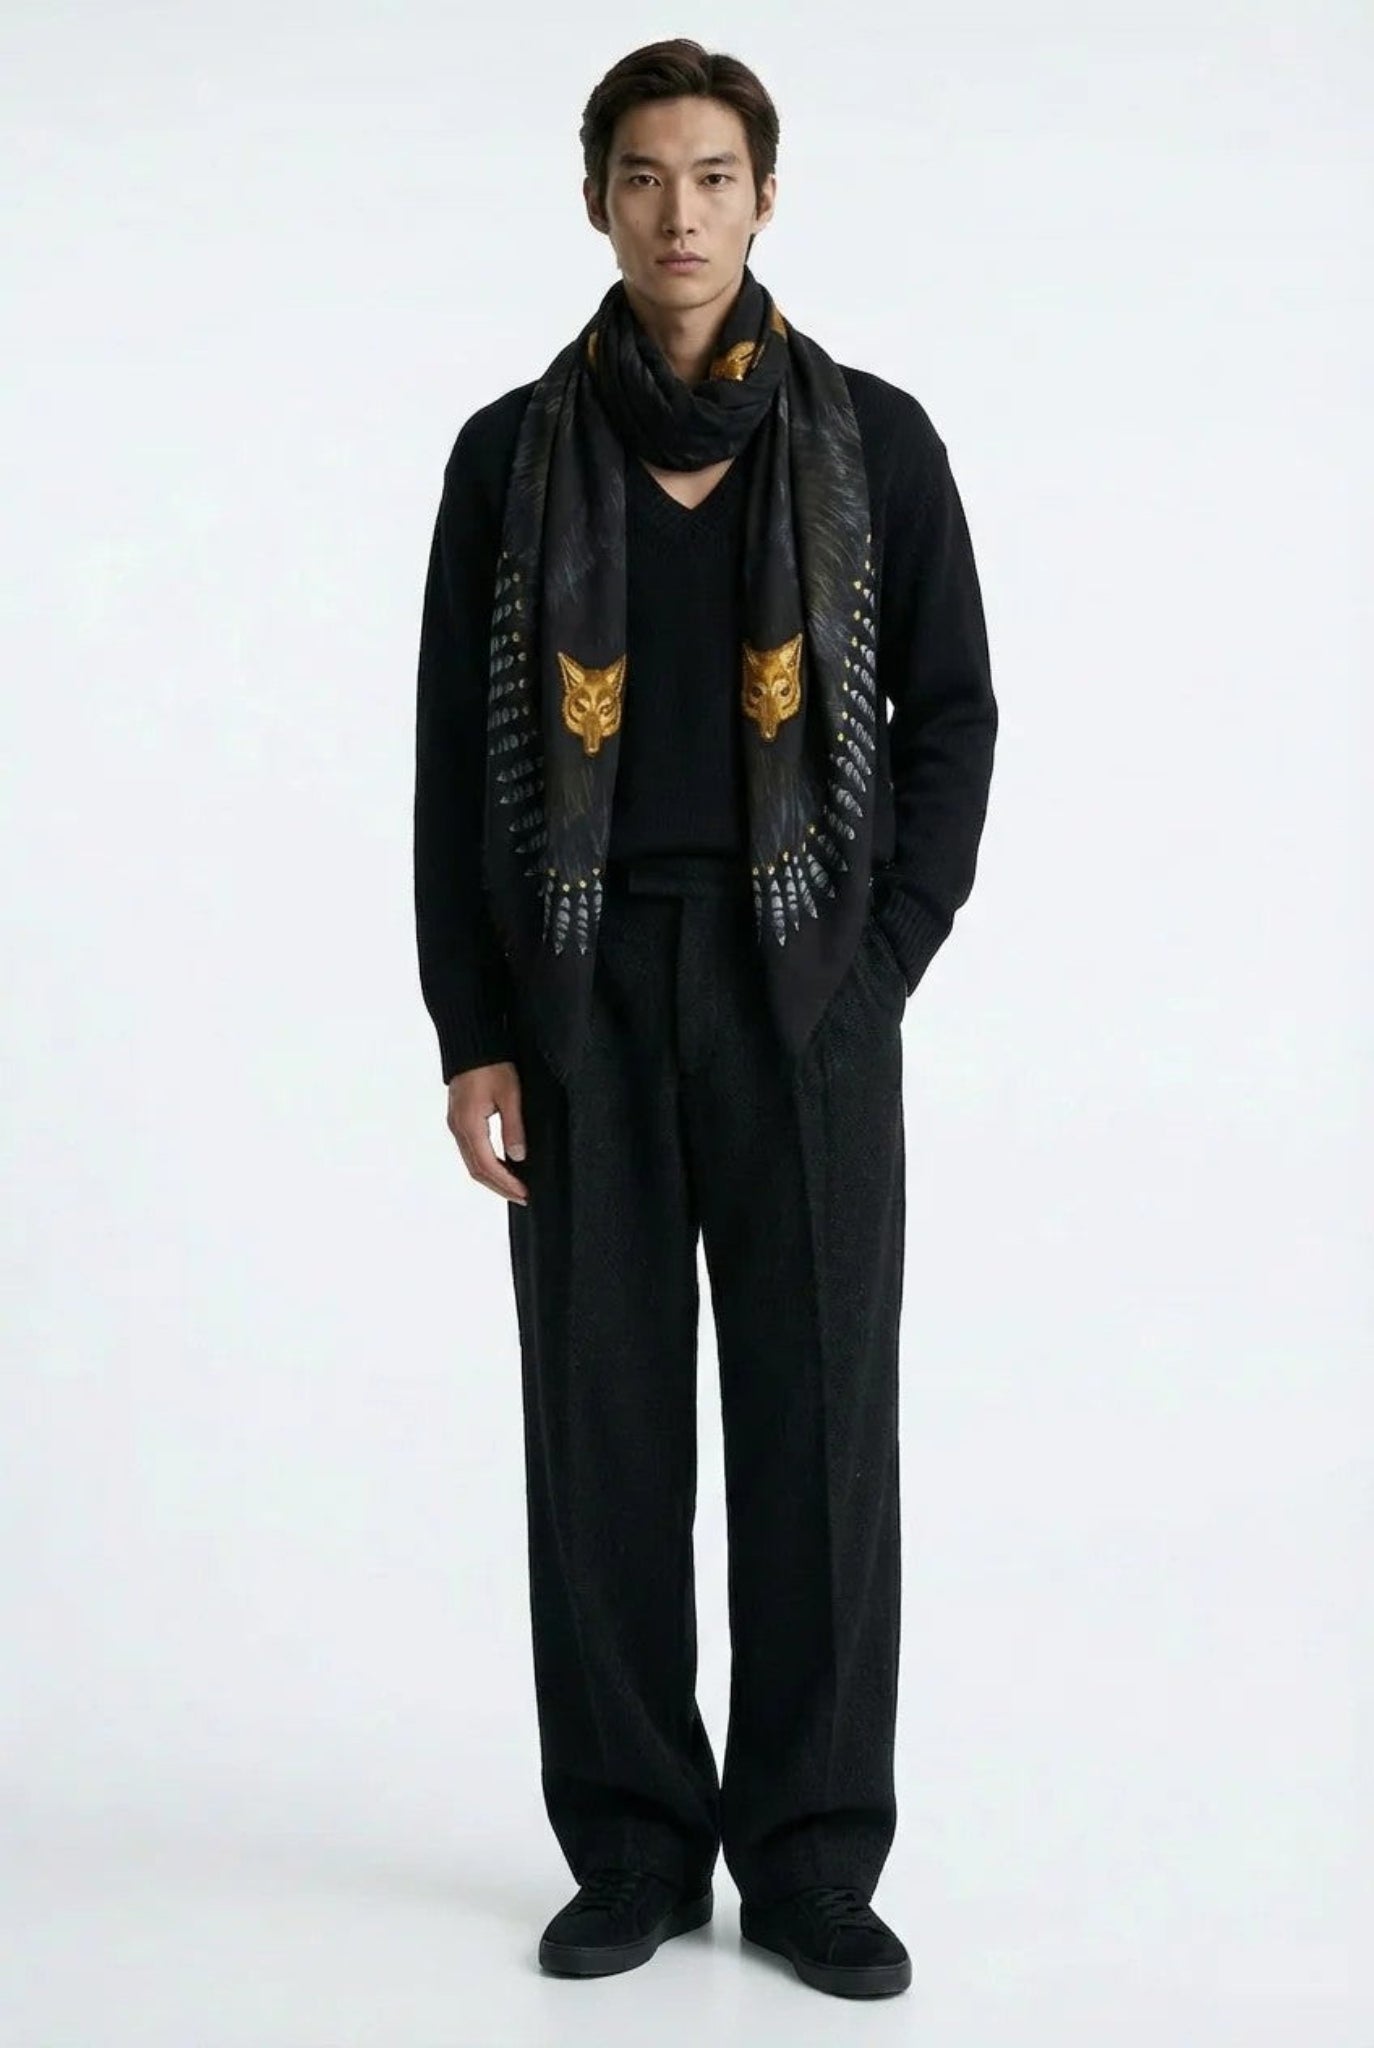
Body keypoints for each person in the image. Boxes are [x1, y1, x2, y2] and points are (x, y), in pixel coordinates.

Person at [413, 37, 997, 2001]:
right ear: (596, 200)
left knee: (820, 1430)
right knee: (601, 1432)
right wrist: (472, 1030)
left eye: (715, 175)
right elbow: (450, 763)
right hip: (578, 992)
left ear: (765, 196)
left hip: (802, 992)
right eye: (646, 177)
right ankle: (636, 1849)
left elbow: (952, 717)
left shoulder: (873, 441)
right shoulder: (507, 456)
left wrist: (880, 957)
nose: (680, 213)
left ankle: (815, 1857)